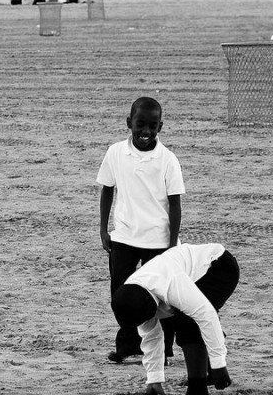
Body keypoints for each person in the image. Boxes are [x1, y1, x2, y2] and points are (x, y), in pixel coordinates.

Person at [97, 96, 185, 363]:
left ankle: (165, 350)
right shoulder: (114, 153)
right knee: (121, 295)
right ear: (129, 123)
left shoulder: (168, 159)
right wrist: (103, 229)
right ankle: (128, 346)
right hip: (123, 237)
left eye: (153, 125)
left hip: (159, 240)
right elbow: (107, 190)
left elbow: (175, 203)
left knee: (162, 298)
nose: (146, 130)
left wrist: (171, 245)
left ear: (161, 127)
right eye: (140, 124)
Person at [110, 243, 239, 395]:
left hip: (218, 266)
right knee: (188, 322)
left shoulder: (170, 283)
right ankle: (206, 365)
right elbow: (151, 337)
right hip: (186, 271)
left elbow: (206, 314)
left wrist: (219, 364)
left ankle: (197, 389)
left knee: (187, 322)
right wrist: (154, 380)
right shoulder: (132, 297)